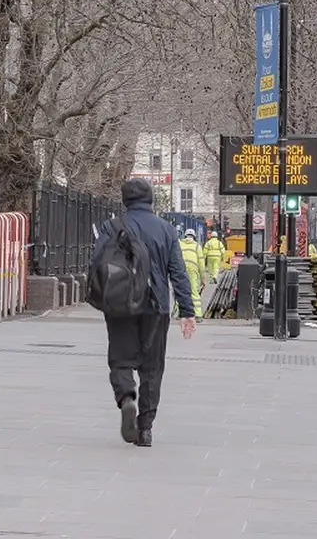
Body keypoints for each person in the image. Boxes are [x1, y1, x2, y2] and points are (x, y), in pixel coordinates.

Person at [88, 176, 197, 447]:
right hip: (156, 306)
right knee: (152, 368)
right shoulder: (165, 229)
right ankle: (145, 428)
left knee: (121, 359)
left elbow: (96, 263)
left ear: (124, 201)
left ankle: (126, 398)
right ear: (151, 200)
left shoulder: (111, 227)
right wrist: (187, 311)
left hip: (121, 303)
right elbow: (178, 272)